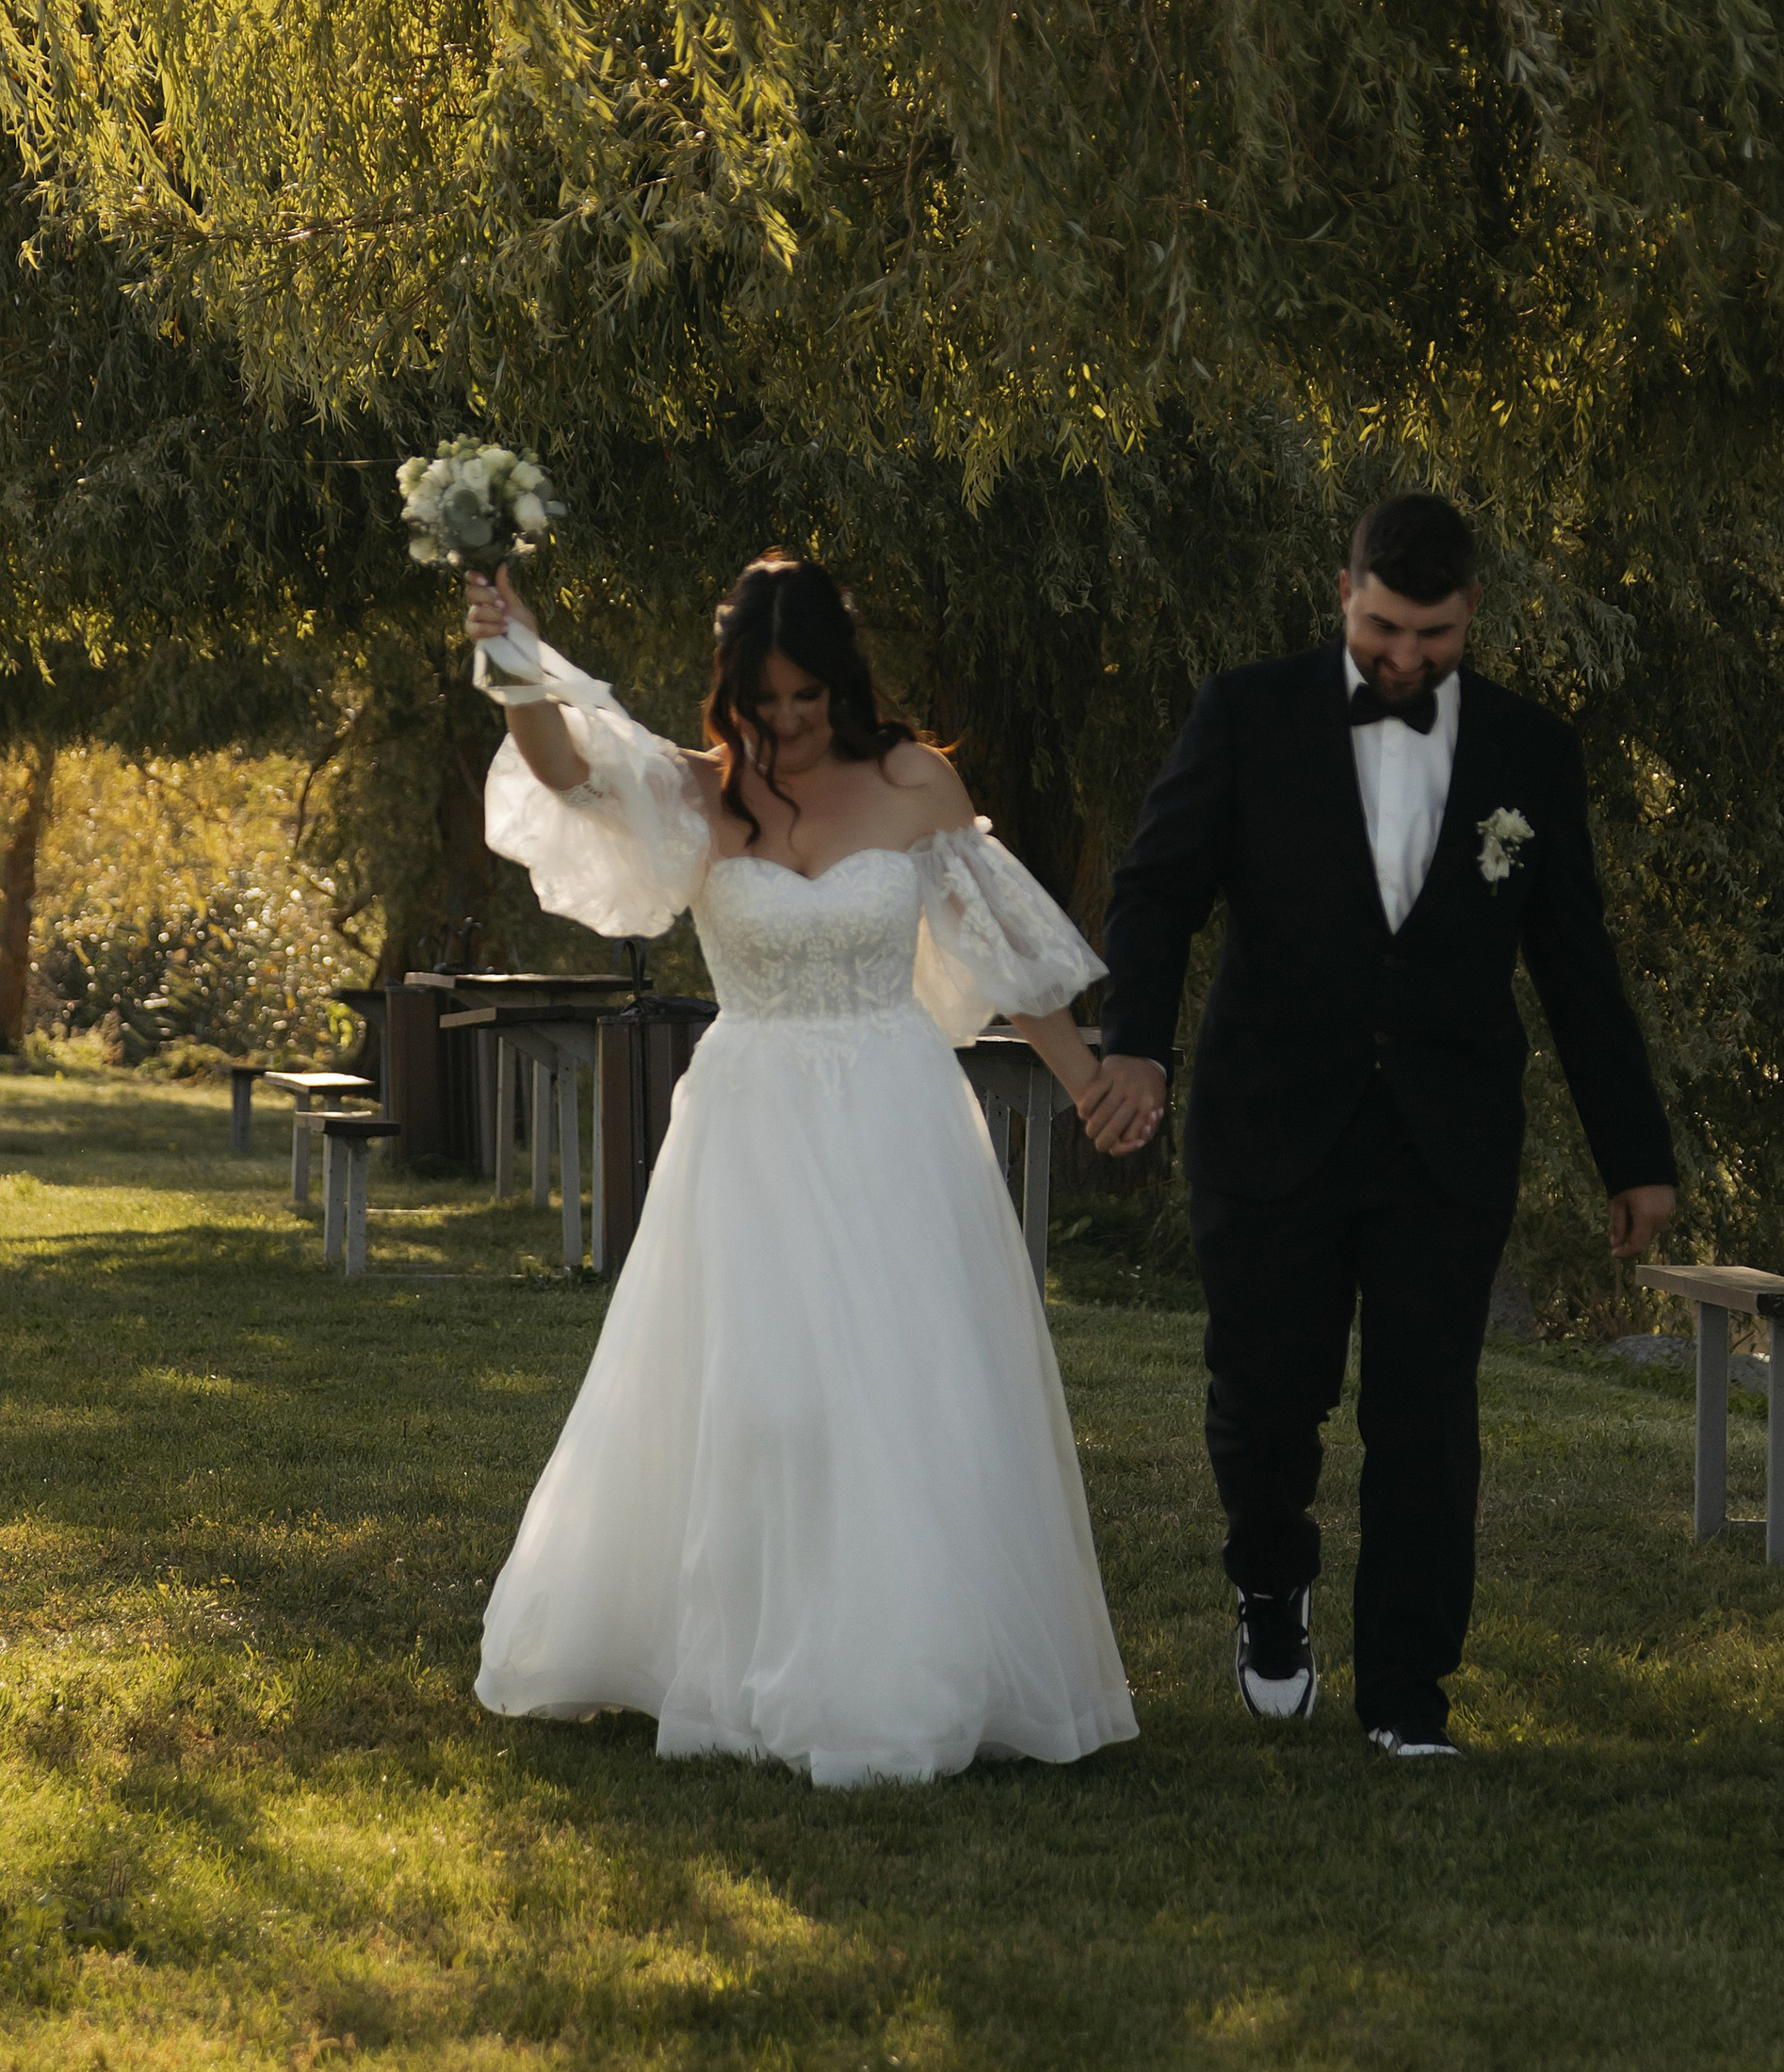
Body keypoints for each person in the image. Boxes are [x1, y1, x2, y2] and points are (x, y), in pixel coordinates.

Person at [462, 549, 1138, 1789]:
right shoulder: (703, 793)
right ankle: (749, 1657)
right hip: (754, 1123)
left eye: (807, 701)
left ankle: (908, 1669)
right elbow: (563, 765)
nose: (785, 724)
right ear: (735, 691)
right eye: (764, 702)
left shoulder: (913, 780)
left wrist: (1087, 1077)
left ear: (844, 681)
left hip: (894, 1119)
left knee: (903, 1392)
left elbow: (995, 944)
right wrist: (513, 652)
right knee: (766, 1396)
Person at [1077, 491, 1677, 1758]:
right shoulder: (1248, 713)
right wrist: (1134, 1038)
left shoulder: (1530, 752)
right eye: (1385, 627)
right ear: (1342, 593)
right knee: (1263, 1397)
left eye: (1436, 634)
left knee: (1426, 1414)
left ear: (1472, 615)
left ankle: (1407, 1697)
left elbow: (1576, 964)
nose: (1406, 657)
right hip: (1266, 1120)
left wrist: (1638, 1157)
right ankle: (1271, 1583)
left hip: (1444, 1137)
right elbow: (1156, 887)